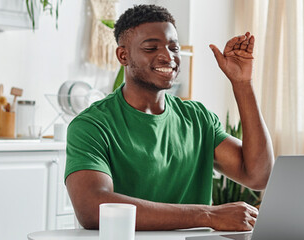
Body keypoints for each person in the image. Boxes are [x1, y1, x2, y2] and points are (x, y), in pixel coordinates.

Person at [65, 4, 274, 231]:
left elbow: (258, 175)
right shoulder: (92, 125)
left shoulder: (198, 119)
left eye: (174, 48)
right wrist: (207, 216)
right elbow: (92, 208)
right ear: (123, 55)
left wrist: (243, 84)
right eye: (151, 48)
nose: (168, 56)